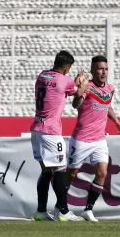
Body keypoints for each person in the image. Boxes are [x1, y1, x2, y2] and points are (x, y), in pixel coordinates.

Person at [30, 51, 87, 222]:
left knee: (46, 171)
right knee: (60, 170)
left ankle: (41, 211)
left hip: (37, 129)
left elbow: (62, 86)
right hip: (51, 132)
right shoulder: (65, 80)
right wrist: (82, 83)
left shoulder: (42, 75)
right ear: (67, 68)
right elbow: (77, 93)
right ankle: (63, 210)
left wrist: (73, 82)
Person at [67, 55, 120, 222]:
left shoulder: (110, 89)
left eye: (106, 69)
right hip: (82, 139)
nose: (104, 71)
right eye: (100, 68)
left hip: (99, 139)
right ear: (93, 70)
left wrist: (116, 121)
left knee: (102, 173)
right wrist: (79, 92)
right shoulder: (88, 87)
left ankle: (88, 209)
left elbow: (107, 105)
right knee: (70, 175)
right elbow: (75, 105)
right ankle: (60, 207)